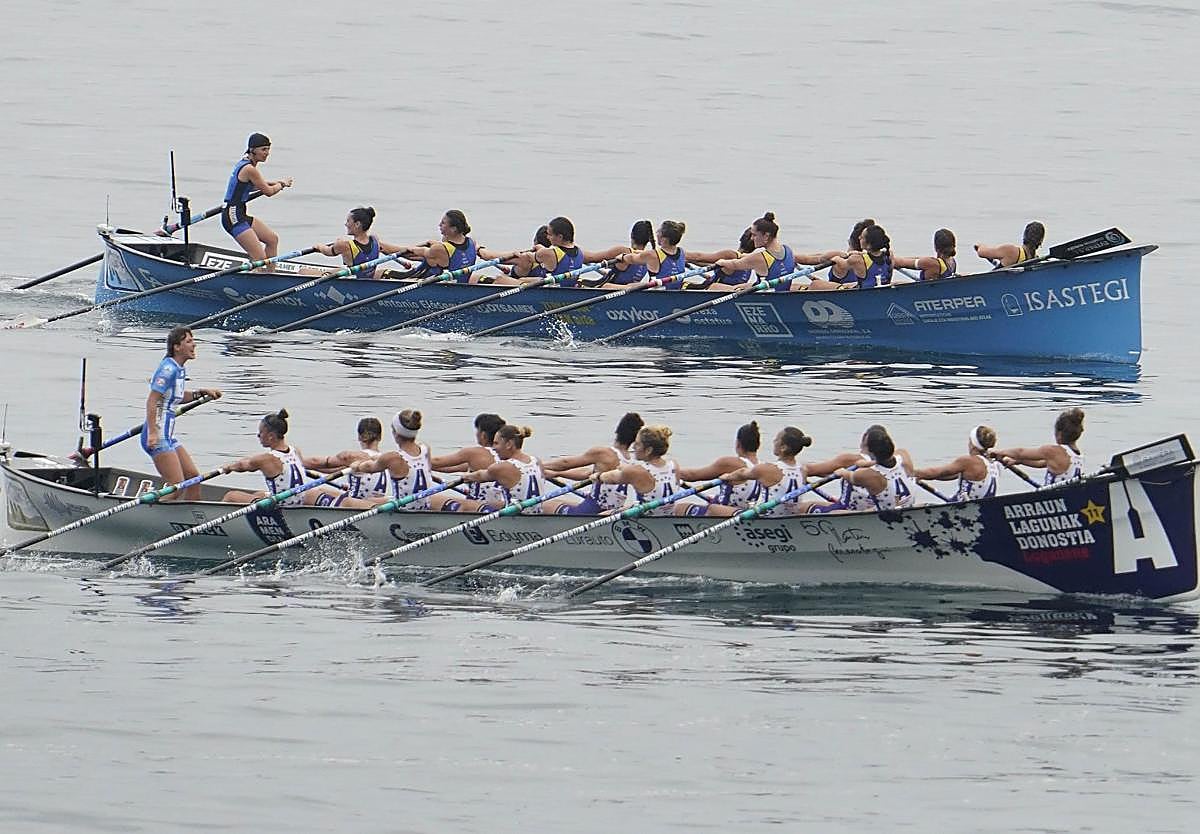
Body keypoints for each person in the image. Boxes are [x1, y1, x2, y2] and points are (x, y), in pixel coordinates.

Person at [221, 410, 368, 507]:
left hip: (281, 507)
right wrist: (342, 467)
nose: (258, 436)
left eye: (260, 433)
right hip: (300, 500)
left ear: (271, 436)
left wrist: (229, 467)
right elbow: (316, 464)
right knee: (259, 494)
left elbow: (243, 465)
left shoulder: (267, 459)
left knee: (231, 496)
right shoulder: (294, 451)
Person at [141, 327, 222, 501]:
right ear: (177, 347)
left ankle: (193, 518)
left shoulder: (179, 369)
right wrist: (153, 433)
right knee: (176, 488)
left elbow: (176, 397)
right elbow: (152, 401)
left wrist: (202, 392)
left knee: (193, 478)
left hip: (167, 435)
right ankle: (155, 517)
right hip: (158, 435)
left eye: (193, 341)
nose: (194, 344)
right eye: (189, 341)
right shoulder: (168, 369)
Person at [351, 410, 484, 512]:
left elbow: (370, 467)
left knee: (356, 501)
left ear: (396, 433)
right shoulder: (425, 449)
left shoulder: (392, 457)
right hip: (424, 506)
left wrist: (357, 466)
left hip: (404, 511)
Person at [461, 424, 581, 514]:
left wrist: (467, 476)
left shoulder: (503, 467)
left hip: (516, 517)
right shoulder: (536, 461)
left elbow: (480, 476)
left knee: (468, 505)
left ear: (509, 444)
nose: (493, 448)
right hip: (537, 513)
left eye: (496, 443)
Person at [542, 412, 645, 513]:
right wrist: (557, 474)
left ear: (617, 431)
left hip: (592, 511)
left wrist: (538, 466)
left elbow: (565, 463)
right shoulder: (629, 460)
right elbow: (587, 473)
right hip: (611, 511)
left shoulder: (603, 453)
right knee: (559, 501)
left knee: (545, 505)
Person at [800, 425, 917, 513]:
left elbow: (808, 470)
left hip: (850, 511)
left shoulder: (851, 461)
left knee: (800, 508)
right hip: (885, 508)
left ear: (866, 446)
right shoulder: (902, 456)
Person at [598, 425, 709, 516]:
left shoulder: (637, 471)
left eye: (637, 444)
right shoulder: (673, 465)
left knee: (601, 516)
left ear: (648, 450)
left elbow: (611, 478)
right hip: (667, 515)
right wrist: (626, 470)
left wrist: (597, 477)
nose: (633, 447)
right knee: (630, 506)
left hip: (645, 518)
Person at [221, 132, 293, 269]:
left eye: (268, 149)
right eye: (263, 149)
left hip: (240, 213)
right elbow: (268, 192)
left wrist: (274, 182)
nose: (267, 153)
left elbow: (252, 185)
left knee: (272, 239)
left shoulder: (245, 163)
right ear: (253, 150)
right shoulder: (249, 169)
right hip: (233, 217)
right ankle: (259, 281)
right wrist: (282, 184)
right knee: (259, 258)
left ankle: (270, 276)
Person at [719, 426, 814, 517]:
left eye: (776, 439)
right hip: (790, 517)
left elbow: (742, 473)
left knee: (712, 508)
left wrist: (727, 477)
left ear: (783, 447)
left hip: (766, 517)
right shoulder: (803, 470)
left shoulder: (768, 469)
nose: (774, 441)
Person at [676, 421, 764, 515]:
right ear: (758, 445)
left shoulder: (730, 463)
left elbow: (692, 476)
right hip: (744, 512)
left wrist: (671, 471)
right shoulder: (762, 466)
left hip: (723, 514)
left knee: (679, 508)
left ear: (738, 443)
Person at [430, 413, 509, 509]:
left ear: (483, 435)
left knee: (431, 499)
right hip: (503, 506)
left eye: (477, 430)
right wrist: (425, 469)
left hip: (479, 507)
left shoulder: (474, 453)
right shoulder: (506, 454)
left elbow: (437, 461)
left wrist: (413, 459)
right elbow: (449, 468)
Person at [302, 417, 390, 503]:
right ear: (380, 437)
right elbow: (332, 470)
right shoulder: (384, 458)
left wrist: (296, 462)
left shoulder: (353, 457)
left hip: (356, 504)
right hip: (376, 502)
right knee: (322, 489)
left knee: (310, 494)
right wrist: (307, 468)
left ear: (359, 437)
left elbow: (317, 462)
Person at [990, 408, 1085, 487]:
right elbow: (1041, 463)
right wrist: (1019, 461)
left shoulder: (1053, 451)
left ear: (1059, 434)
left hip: (1052, 498)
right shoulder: (1077, 455)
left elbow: (1020, 452)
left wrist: (999, 452)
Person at [913, 425, 1001, 501]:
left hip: (962, 508)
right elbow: (948, 475)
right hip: (980, 507)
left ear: (973, 444)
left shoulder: (969, 461)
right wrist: (922, 476)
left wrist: (909, 472)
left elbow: (935, 472)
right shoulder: (993, 463)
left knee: (920, 506)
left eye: (969, 441)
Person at [314, 207, 406, 280]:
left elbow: (327, 251)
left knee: (303, 271)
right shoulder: (375, 240)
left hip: (353, 282)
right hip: (368, 279)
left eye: (348, 221)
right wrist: (405, 260)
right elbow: (388, 251)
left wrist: (318, 247)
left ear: (357, 224)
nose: (346, 224)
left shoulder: (344, 245)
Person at [712, 213, 795, 292]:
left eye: (754, 235)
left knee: (714, 286)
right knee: (742, 286)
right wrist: (743, 256)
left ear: (766, 236)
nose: (751, 238)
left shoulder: (760, 258)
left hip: (766, 297)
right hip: (780, 292)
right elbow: (773, 260)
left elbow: (735, 265)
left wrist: (721, 262)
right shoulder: (788, 250)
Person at [398, 210, 481, 283]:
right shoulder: (471, 242)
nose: (439, 225)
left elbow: (410, 252)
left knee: (385, 272)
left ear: (453, 229)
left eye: (443, 223)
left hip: (442, 286)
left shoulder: (439, 248)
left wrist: (385, 248)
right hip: (460, 284)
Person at [808, 224, 894, 291]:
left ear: (868, 244)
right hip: (881, 291)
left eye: (862, 237)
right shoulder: (889, 255)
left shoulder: (857, 259)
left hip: (863, 296)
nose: (859, 237)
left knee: (815, 284)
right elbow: (873, 259)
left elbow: (841, 264)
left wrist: (837, 258)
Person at [613, 220, 689, 290]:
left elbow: (632, 259)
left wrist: (622, 257)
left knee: (629, 286)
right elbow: (699, 257)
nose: (656, 233)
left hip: (656, 293)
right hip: (671, 291)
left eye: (659, 231)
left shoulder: (651, 254)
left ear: (664, 239)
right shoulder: (682, 253)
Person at [586, 220, 654, 288]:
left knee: (579, 282)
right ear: (648, 239)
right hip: (626, 291)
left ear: (631, 235)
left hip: (605, 288)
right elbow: (624, 276)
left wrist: (576, 251)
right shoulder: (648, 258)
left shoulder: (623, 251)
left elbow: (591, 258)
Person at [975, 221, 1046, 268]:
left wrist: (980, 246)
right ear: (1041, 240)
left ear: (1025, 235)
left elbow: (981, 253)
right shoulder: (1036, 261)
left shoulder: (1011, 251)